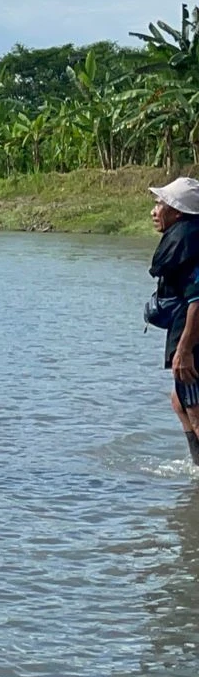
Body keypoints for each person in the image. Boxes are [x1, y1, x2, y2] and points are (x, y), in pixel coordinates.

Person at [147, 177, 199, 464]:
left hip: (193, 342)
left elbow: (197, 301)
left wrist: (185, 350)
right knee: (180, 402)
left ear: (177, 212)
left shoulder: (190, 245)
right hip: (189, 338)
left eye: (160, 205)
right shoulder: (186, 238)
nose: (154, 211)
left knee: (194, 408)